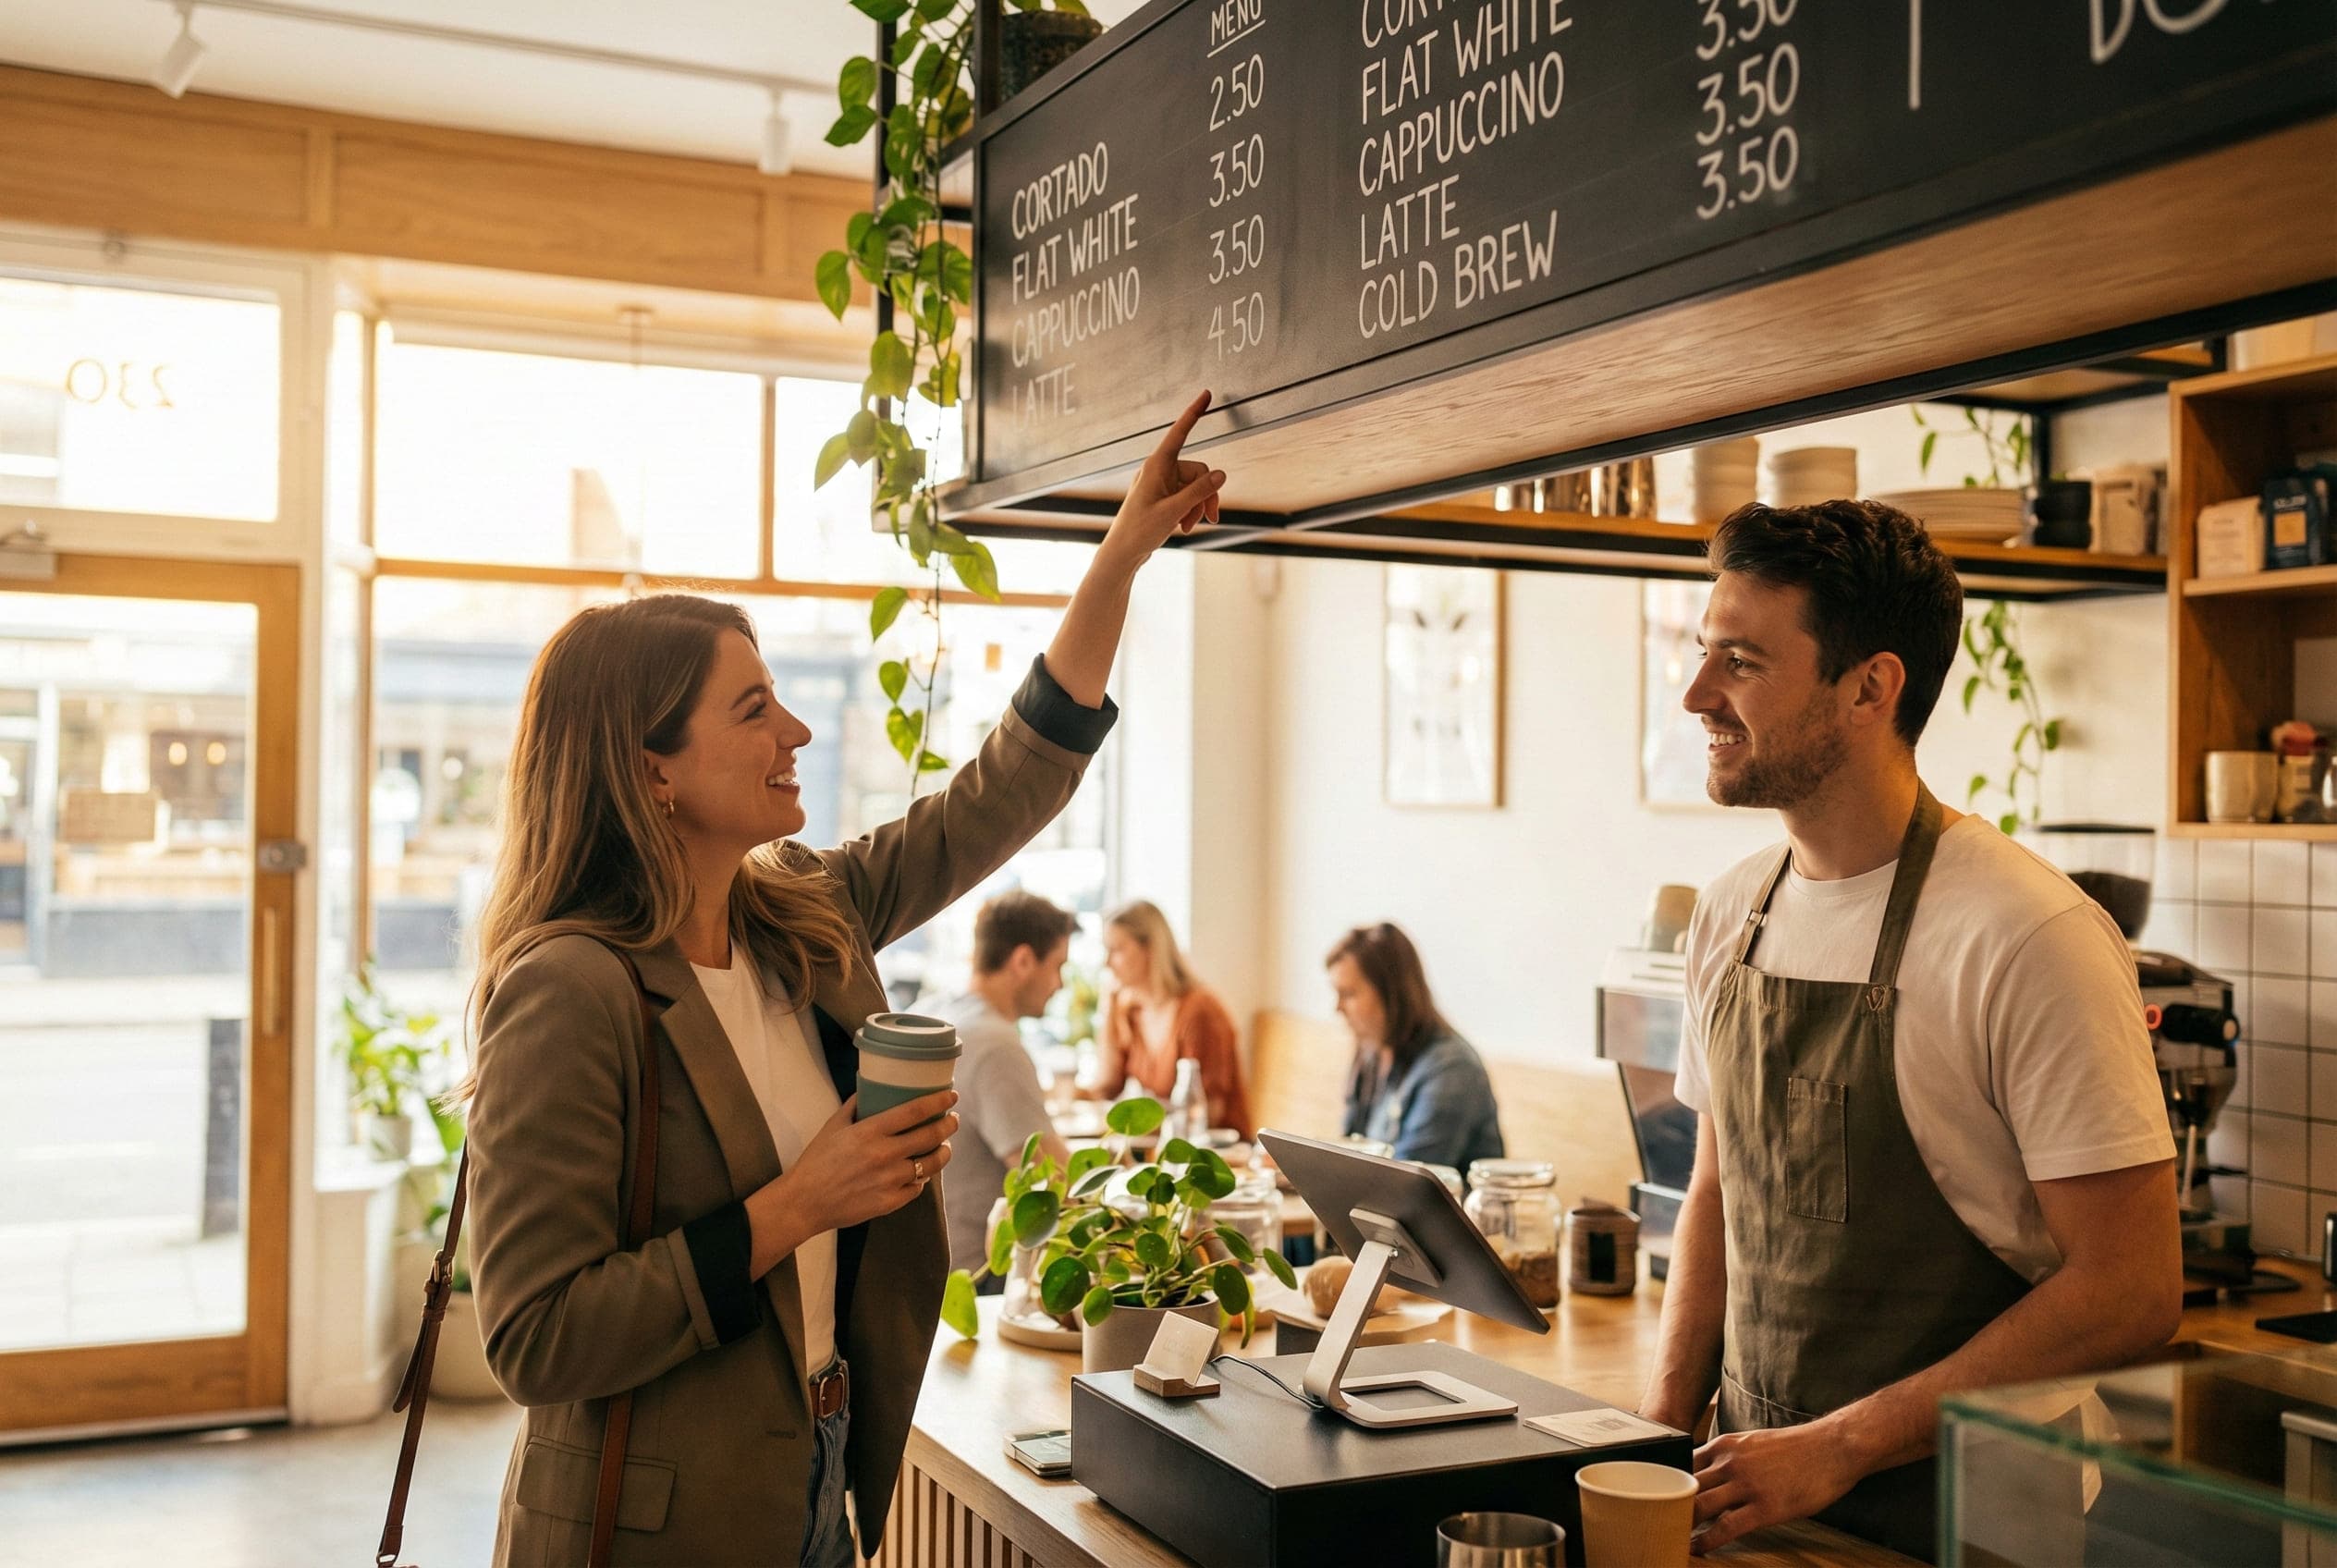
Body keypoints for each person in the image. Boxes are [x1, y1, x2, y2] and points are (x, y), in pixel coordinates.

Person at [459, 394, 1227, 1567]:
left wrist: (1118, 556)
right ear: (649, 770)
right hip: (653, 1527)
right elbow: (535, 1336)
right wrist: (804, 1198)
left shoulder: (799, 917)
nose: (799, 733)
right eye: (754, 709)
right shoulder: (572, 988)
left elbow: (999, 792)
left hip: (814, 1476)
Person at [1639, 500, 2179, 1559]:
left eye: (1739, 662)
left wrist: (1839, 1443)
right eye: (1704, 654)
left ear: (1869, 688)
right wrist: (1656, 1437)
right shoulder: (1727, 914)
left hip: (1966, 1524)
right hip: (1762, 1505)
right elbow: (1716, 1189)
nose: (1695, 694)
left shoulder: (2028, 935)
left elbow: (2130, 1288)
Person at [925, 889, 1077, 1278]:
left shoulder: (940, 1013)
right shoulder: (994, 1045)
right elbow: (1053, 1180)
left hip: (928, 1268)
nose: (1058, 984)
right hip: (981, 1272)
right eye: (1057, 966)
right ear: (1024, 961)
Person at [1328, 923, 1502, 1170]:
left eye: (1349, 994)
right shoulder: (1372, 1052)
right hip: (1378, 1204)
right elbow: (1348, 1151)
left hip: (1441, 1208)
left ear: (1391, 993)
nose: (1338, 1008)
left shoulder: (1451, 1068)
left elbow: (1407, 1183)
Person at [1093, 899, 1254, 1137]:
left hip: (1217, 1157)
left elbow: (1208, 1114)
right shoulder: (1132, 1011)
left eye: (1116, 950)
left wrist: (1134, 1127)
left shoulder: (1200, 1012)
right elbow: (1106, 1088)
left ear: (1150, 949)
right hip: (1159, 1150)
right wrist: (1107, 1010)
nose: (1106, 963)